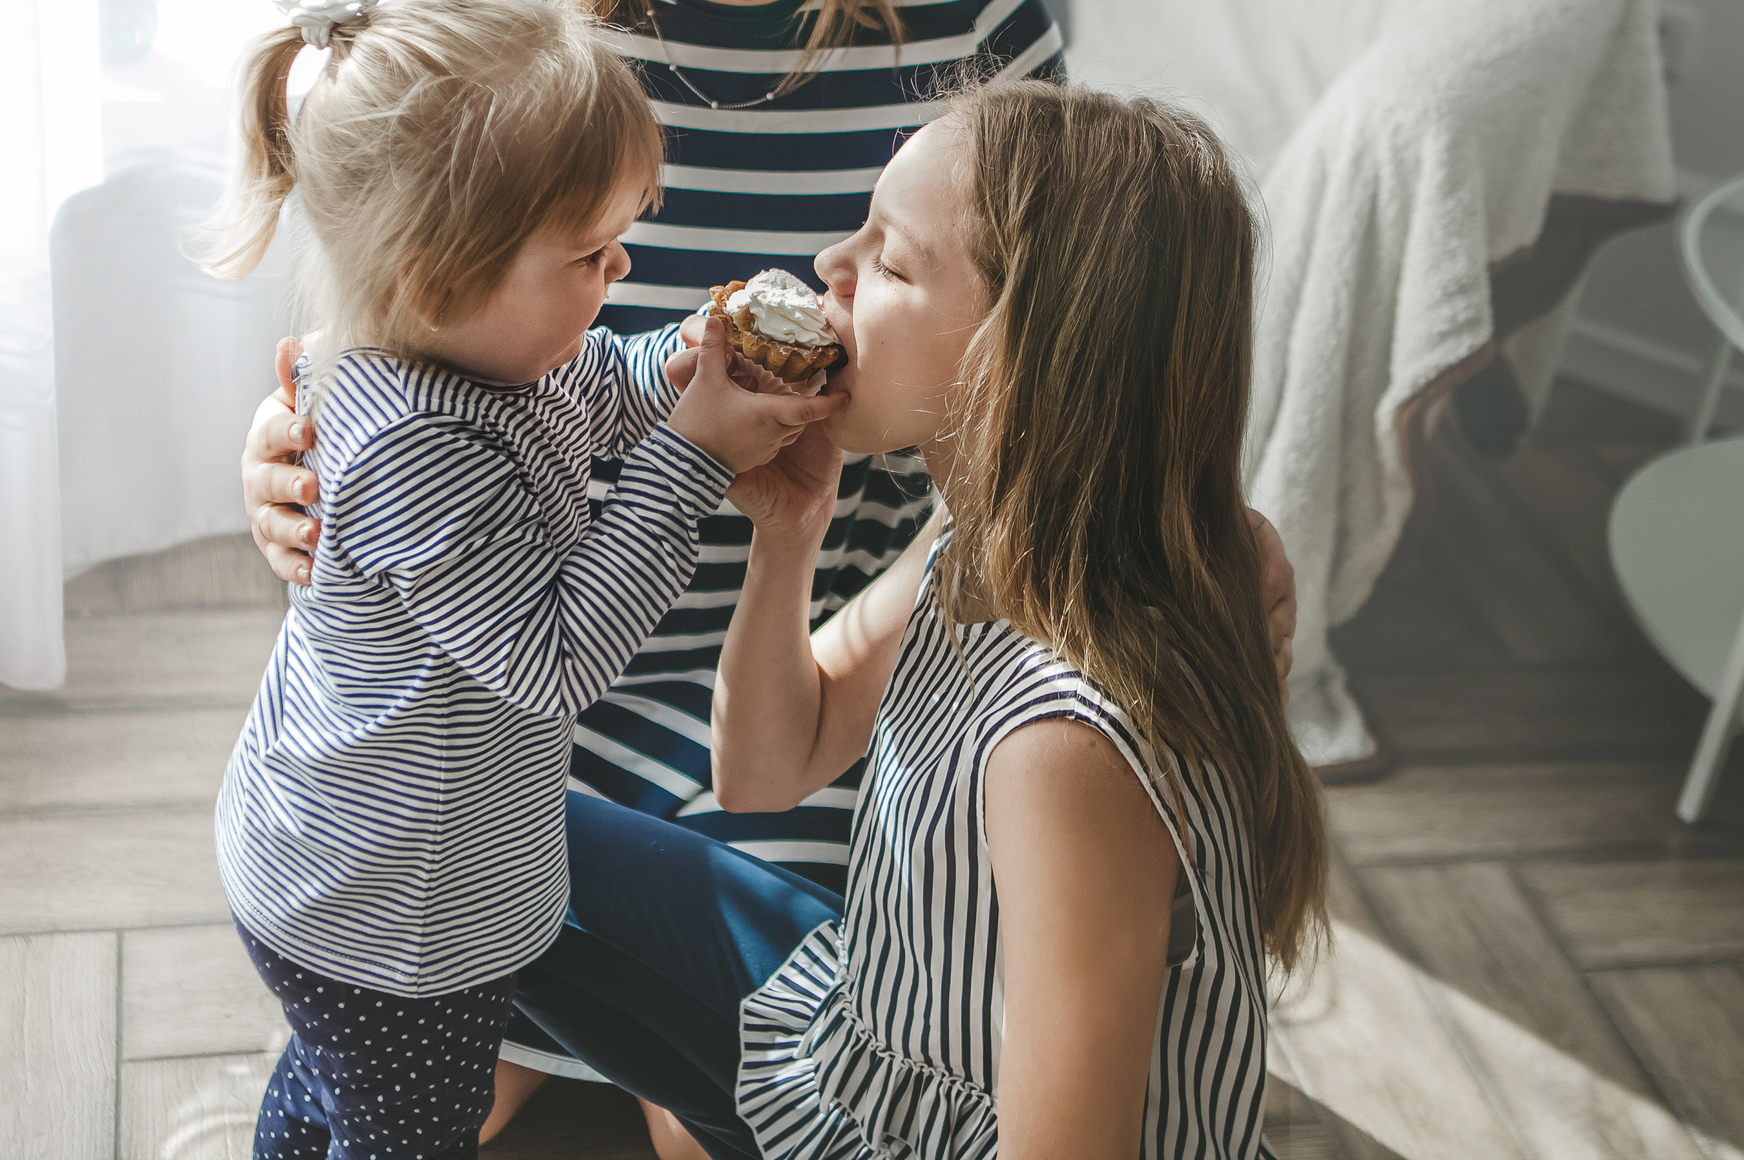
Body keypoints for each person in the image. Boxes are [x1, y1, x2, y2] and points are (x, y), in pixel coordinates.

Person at [238, 0, 1071, 1149]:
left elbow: (1029, 387)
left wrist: (883, 587)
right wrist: (280, 456)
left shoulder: (980, 27)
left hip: (829, 620)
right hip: (519, 648)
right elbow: (367, 331)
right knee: (448, 1068)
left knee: (761, 1090)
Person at [509, 78, 1328, 1160]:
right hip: (858, 1039)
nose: (828, 272)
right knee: (467, 811)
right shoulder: (984, 545)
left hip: (908, 1135)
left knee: (454, 833)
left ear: (1022, 357)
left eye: (890, 264)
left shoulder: (1066, 745)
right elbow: (761, 770)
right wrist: (789, 531)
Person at [201, 0, 841, 1160]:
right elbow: (558, 660)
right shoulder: (408, 448)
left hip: (366, 857)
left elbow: (595, 390)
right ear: (439, 276)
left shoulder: (488, 358)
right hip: (385, 906)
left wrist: (684, 362)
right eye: (591, 254)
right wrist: (695, 451)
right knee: (415, 1128)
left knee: (335, 1083)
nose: (621, 269)